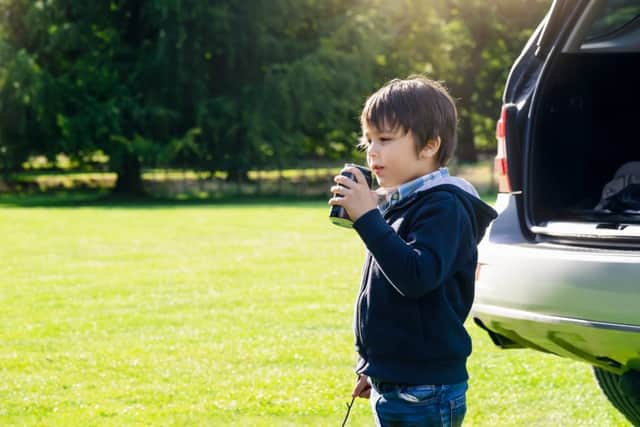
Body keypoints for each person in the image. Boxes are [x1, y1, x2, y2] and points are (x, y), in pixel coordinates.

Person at [328, 76, 498, 427]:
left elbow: (415, 276)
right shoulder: (401, 206)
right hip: (399, 382)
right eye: (368, 140)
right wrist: (378, 369)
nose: (372, 151)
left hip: (426, 390)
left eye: (386, 139)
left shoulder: (445, 207)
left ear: (429, 145)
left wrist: (367, 219)